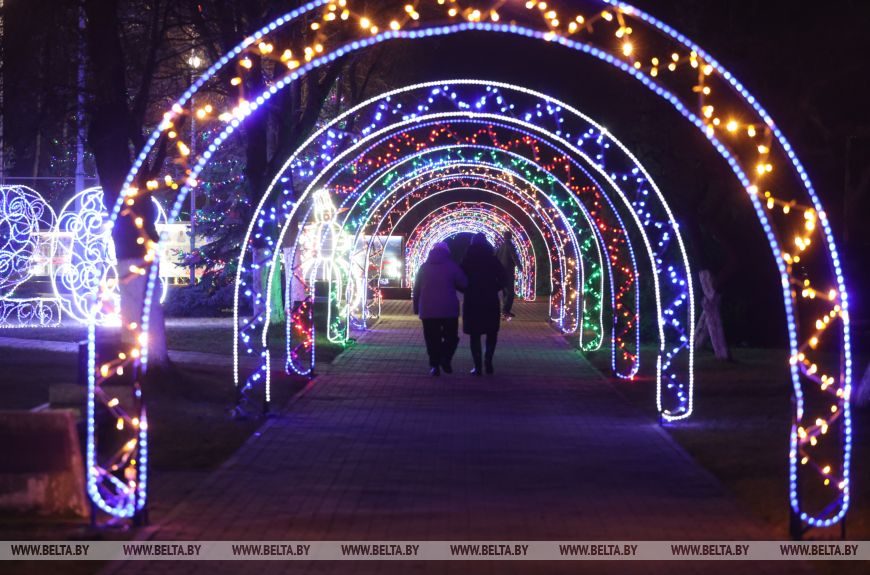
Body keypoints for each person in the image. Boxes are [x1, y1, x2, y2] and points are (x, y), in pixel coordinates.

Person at [413, 242, 467, 376]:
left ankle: (434, 365)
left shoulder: (423, 267)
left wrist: (416, 306)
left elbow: (417, 288)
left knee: (432, 339)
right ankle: (445, 357)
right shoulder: (452, 267)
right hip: (448, 309)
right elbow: (464, 283)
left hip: (428, 309)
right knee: (451, 337)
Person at [461, 233, 508, 375]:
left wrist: (466, 289)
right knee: (491, 332)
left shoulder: (467, 259)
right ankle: (488, 362)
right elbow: (504, 277)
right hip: (490, 299)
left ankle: (477, 366)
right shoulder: (492, 259)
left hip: (472, 300)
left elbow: (458, 278)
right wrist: (495, 287)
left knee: (474, 335)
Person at [495, 230, 520, 319]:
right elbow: (514, 257)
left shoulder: (500, 246)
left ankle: (505, 311)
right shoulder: (510, 245)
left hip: (501, 272)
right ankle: (506, 310)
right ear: (511, 237)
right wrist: (520, 267)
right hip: (508, 271)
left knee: (505, 292)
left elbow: (495, 257)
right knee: (510, 293)